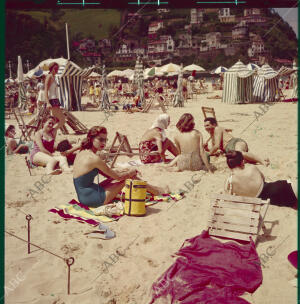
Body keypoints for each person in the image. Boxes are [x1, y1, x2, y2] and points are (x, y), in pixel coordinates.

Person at [73, 126, 167, 207]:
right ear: (91, 139)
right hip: (94, 199)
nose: (104, 143)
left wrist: (124, 171)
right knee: (129, 178)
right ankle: (158, 191)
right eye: (100, 139)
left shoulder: (82, 152)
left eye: (105, 140)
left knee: (124, 176)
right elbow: (118, 177)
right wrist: (131, 172)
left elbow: (109, 174)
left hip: (85, 195)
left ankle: (156, 189)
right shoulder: (94, 159)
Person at [224, 151, 297, 209]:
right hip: (282, 189)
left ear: (229, 166)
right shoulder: (251, 169)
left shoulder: (229, 182)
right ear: (242, 162)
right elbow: (263, 178)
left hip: (273, 201)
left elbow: (229, 196)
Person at [204, 117, 269, 166]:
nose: (206, 128)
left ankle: (262, 161)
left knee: (240, 153)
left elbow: (217, 146)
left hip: (234, 142)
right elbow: (214, 150)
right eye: (205, 126)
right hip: (229, 149)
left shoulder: (217, 129)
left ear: (214, 124)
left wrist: (208, 154)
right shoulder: (212, 135)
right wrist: (206, 148)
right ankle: (263, 158)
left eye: (207, 125)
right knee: (241, 159)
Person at [45, 62, 65, 129]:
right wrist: (48, 103)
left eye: (57, 69)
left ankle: (51, 135)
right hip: (52, 100)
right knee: (62, 120)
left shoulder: (54, 77)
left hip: (55, 100)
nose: (57, 70)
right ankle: (50, 132)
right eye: (55, 68)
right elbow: (46, 90)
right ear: (51, 68)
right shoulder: (49, 76)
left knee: (55, 121)